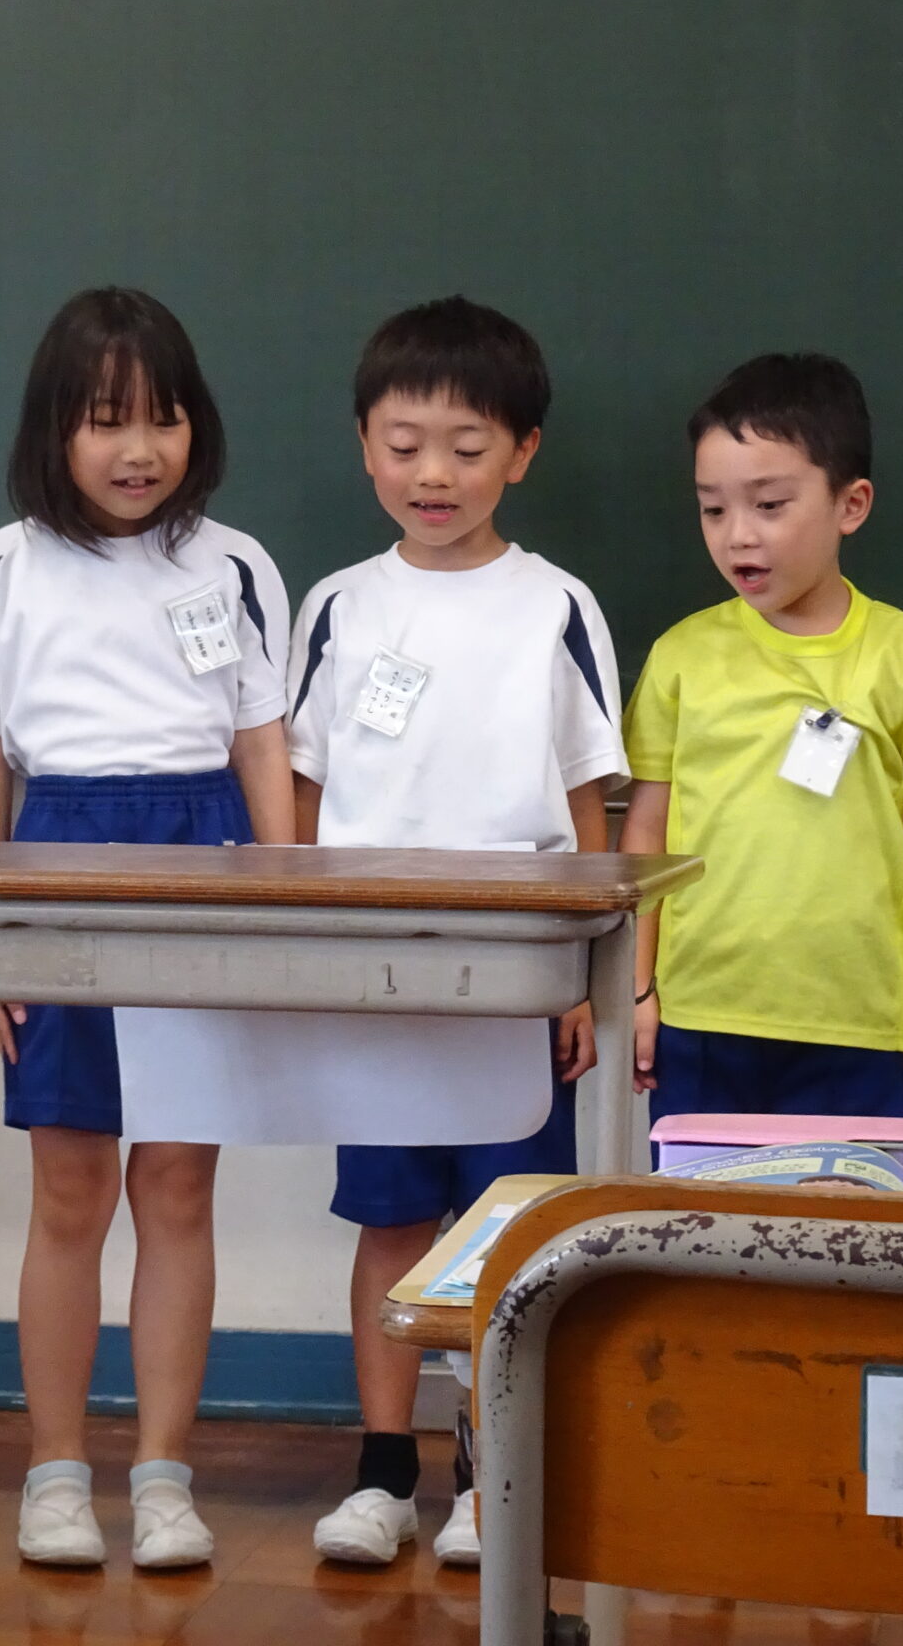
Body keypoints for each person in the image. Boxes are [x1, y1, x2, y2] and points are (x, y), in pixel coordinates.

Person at [0, 287, 294, 1571]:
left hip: (204, 861)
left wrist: (283, 905)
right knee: (69, 1188)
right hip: (54, 861)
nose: (139, 450)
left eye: (163, 418)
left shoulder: (236, 565)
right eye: (106, 420)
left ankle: (166, 1478)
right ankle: (56, 1475)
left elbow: (262, 745)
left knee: (177, 1182)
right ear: (53, 430)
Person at [285, 297, 625, 1569]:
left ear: (522, 453)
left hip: (519, 974)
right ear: (363, 445)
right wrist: (307, 954)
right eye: (404, 444)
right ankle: (384, 1472)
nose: (433, 473)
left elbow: (591, 802)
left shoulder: (557, 604)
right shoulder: (337, 605)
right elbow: (302, 794)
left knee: (504, 1230)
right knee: (388, 1221)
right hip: (376, 973)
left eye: (468, 447)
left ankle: (492, 1473)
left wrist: (588, 973)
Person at [619, 351, 903, 1122]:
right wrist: (636, 987)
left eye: (769, 505)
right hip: (702, 1015)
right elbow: (646, 828)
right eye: (713, 510)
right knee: (698, 1205)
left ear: (850, 504)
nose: (738, 536)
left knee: (847, 1205)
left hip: (857, 1020)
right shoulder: (682, 656)